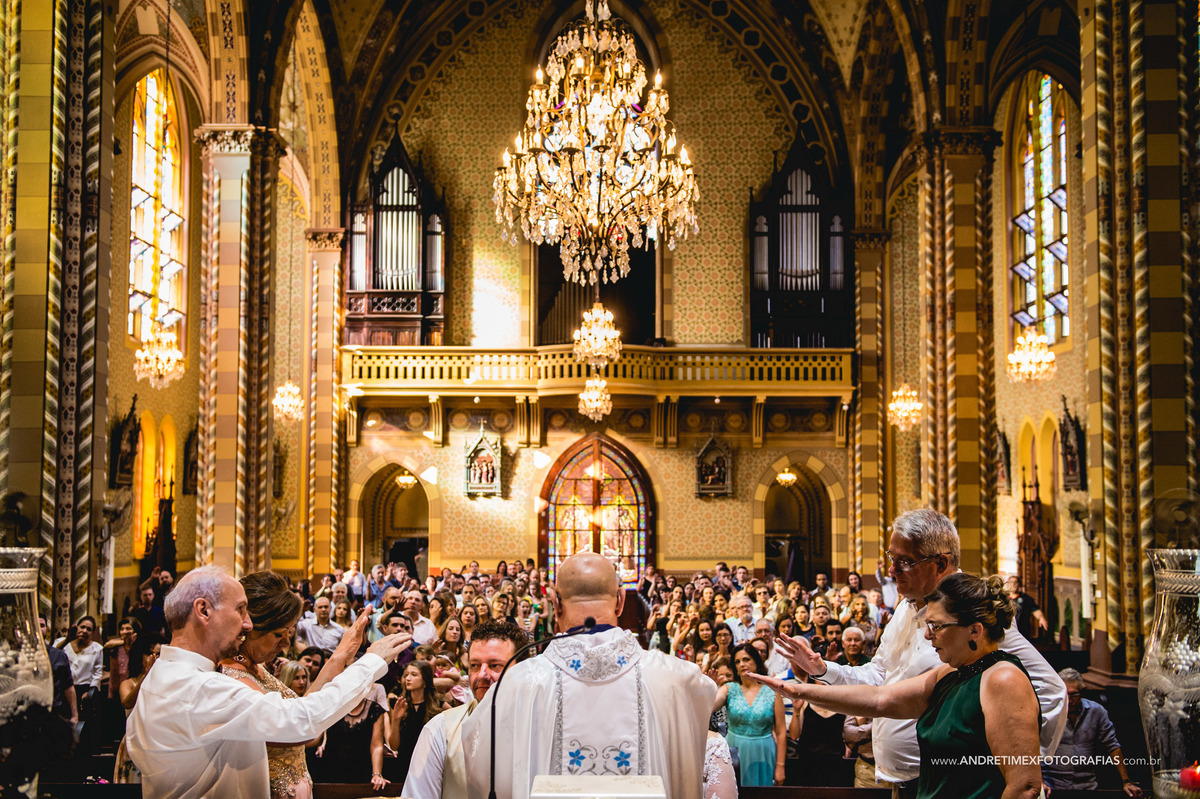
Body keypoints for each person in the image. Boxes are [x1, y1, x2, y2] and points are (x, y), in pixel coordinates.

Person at [776, 509, 1066, 797]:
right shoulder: (906, 606)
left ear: (940, 562)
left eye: (903, 561)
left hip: (954, 784)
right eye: (892, 558)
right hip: (901, 781)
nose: (891, 571)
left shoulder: (970, 613)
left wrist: (1019, 769)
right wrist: (822, 670)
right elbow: (880, 682)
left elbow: (1051, 692)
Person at [124, 565, 411, 799]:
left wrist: (342, 657)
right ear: (204, 611)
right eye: (240, 610)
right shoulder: (198, 687)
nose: (247, 624)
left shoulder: (164, 674)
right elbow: (301, 721)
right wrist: (371, 662)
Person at [753, 573, 1043, 799]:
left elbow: (1025, 787)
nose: (929, 636)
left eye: (937, 626)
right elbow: (880, 699)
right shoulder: (950, 675)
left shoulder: (1002, 679)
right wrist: (798, 689)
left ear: (975, 630)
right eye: (927, 625)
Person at [463, 551, 716, 799]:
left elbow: (482, 770)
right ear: (620, 600)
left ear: (556, 603)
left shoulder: (518, 682)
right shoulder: (677, 679)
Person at [402, 618, 526, 799]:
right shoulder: (440, 729)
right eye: (475, 665)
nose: (482, 675)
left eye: (494, 665)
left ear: (521, 669)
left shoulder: (538, 725)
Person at [218, 571, 316, 799]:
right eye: (278, 634)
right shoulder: (232, 678)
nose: (286, 644)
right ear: (250, 629)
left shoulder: (257, 667)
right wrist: (340, 660)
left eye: (289, 633)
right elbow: (300, 730)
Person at [1042, 668, 1142, 797]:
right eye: (1064, 694)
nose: (1068, 699)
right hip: (1053, 786)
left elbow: (1112, 746)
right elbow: (1034, 747)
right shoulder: (1048, 713)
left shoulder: (1096, 711)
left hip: (1087, 786)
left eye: (1073, 695)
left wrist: (1126, 781)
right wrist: (1040, 782)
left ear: (1082, 694)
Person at [713, 643, 786, 786]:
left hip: (763, 751)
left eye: (746, 660)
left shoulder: (772, 691)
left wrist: (780, 766)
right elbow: (710, 706)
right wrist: (710, 687)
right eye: (737, 662)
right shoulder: (729, 689)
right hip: (734, 750)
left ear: (756, 662)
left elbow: (781, 732)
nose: (742, 664)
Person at [384, 659, 443, 784]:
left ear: (425, 681)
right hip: (404, 765)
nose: (408, 679)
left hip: (430, 765)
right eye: (406, 675)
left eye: (414, 675)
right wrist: (396, 719)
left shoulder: (439, 706)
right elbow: (394, 745)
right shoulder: (399, 704)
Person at [1005, 576, 1048, 640]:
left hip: (1022, 633)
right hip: (1007, 633)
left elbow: (1036, 610)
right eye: (1011, 582)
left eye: (1015, 582)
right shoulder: (1003, 599)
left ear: (1019, 584)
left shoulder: (1026, 599)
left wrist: (1041, 617)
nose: (1013, 584)